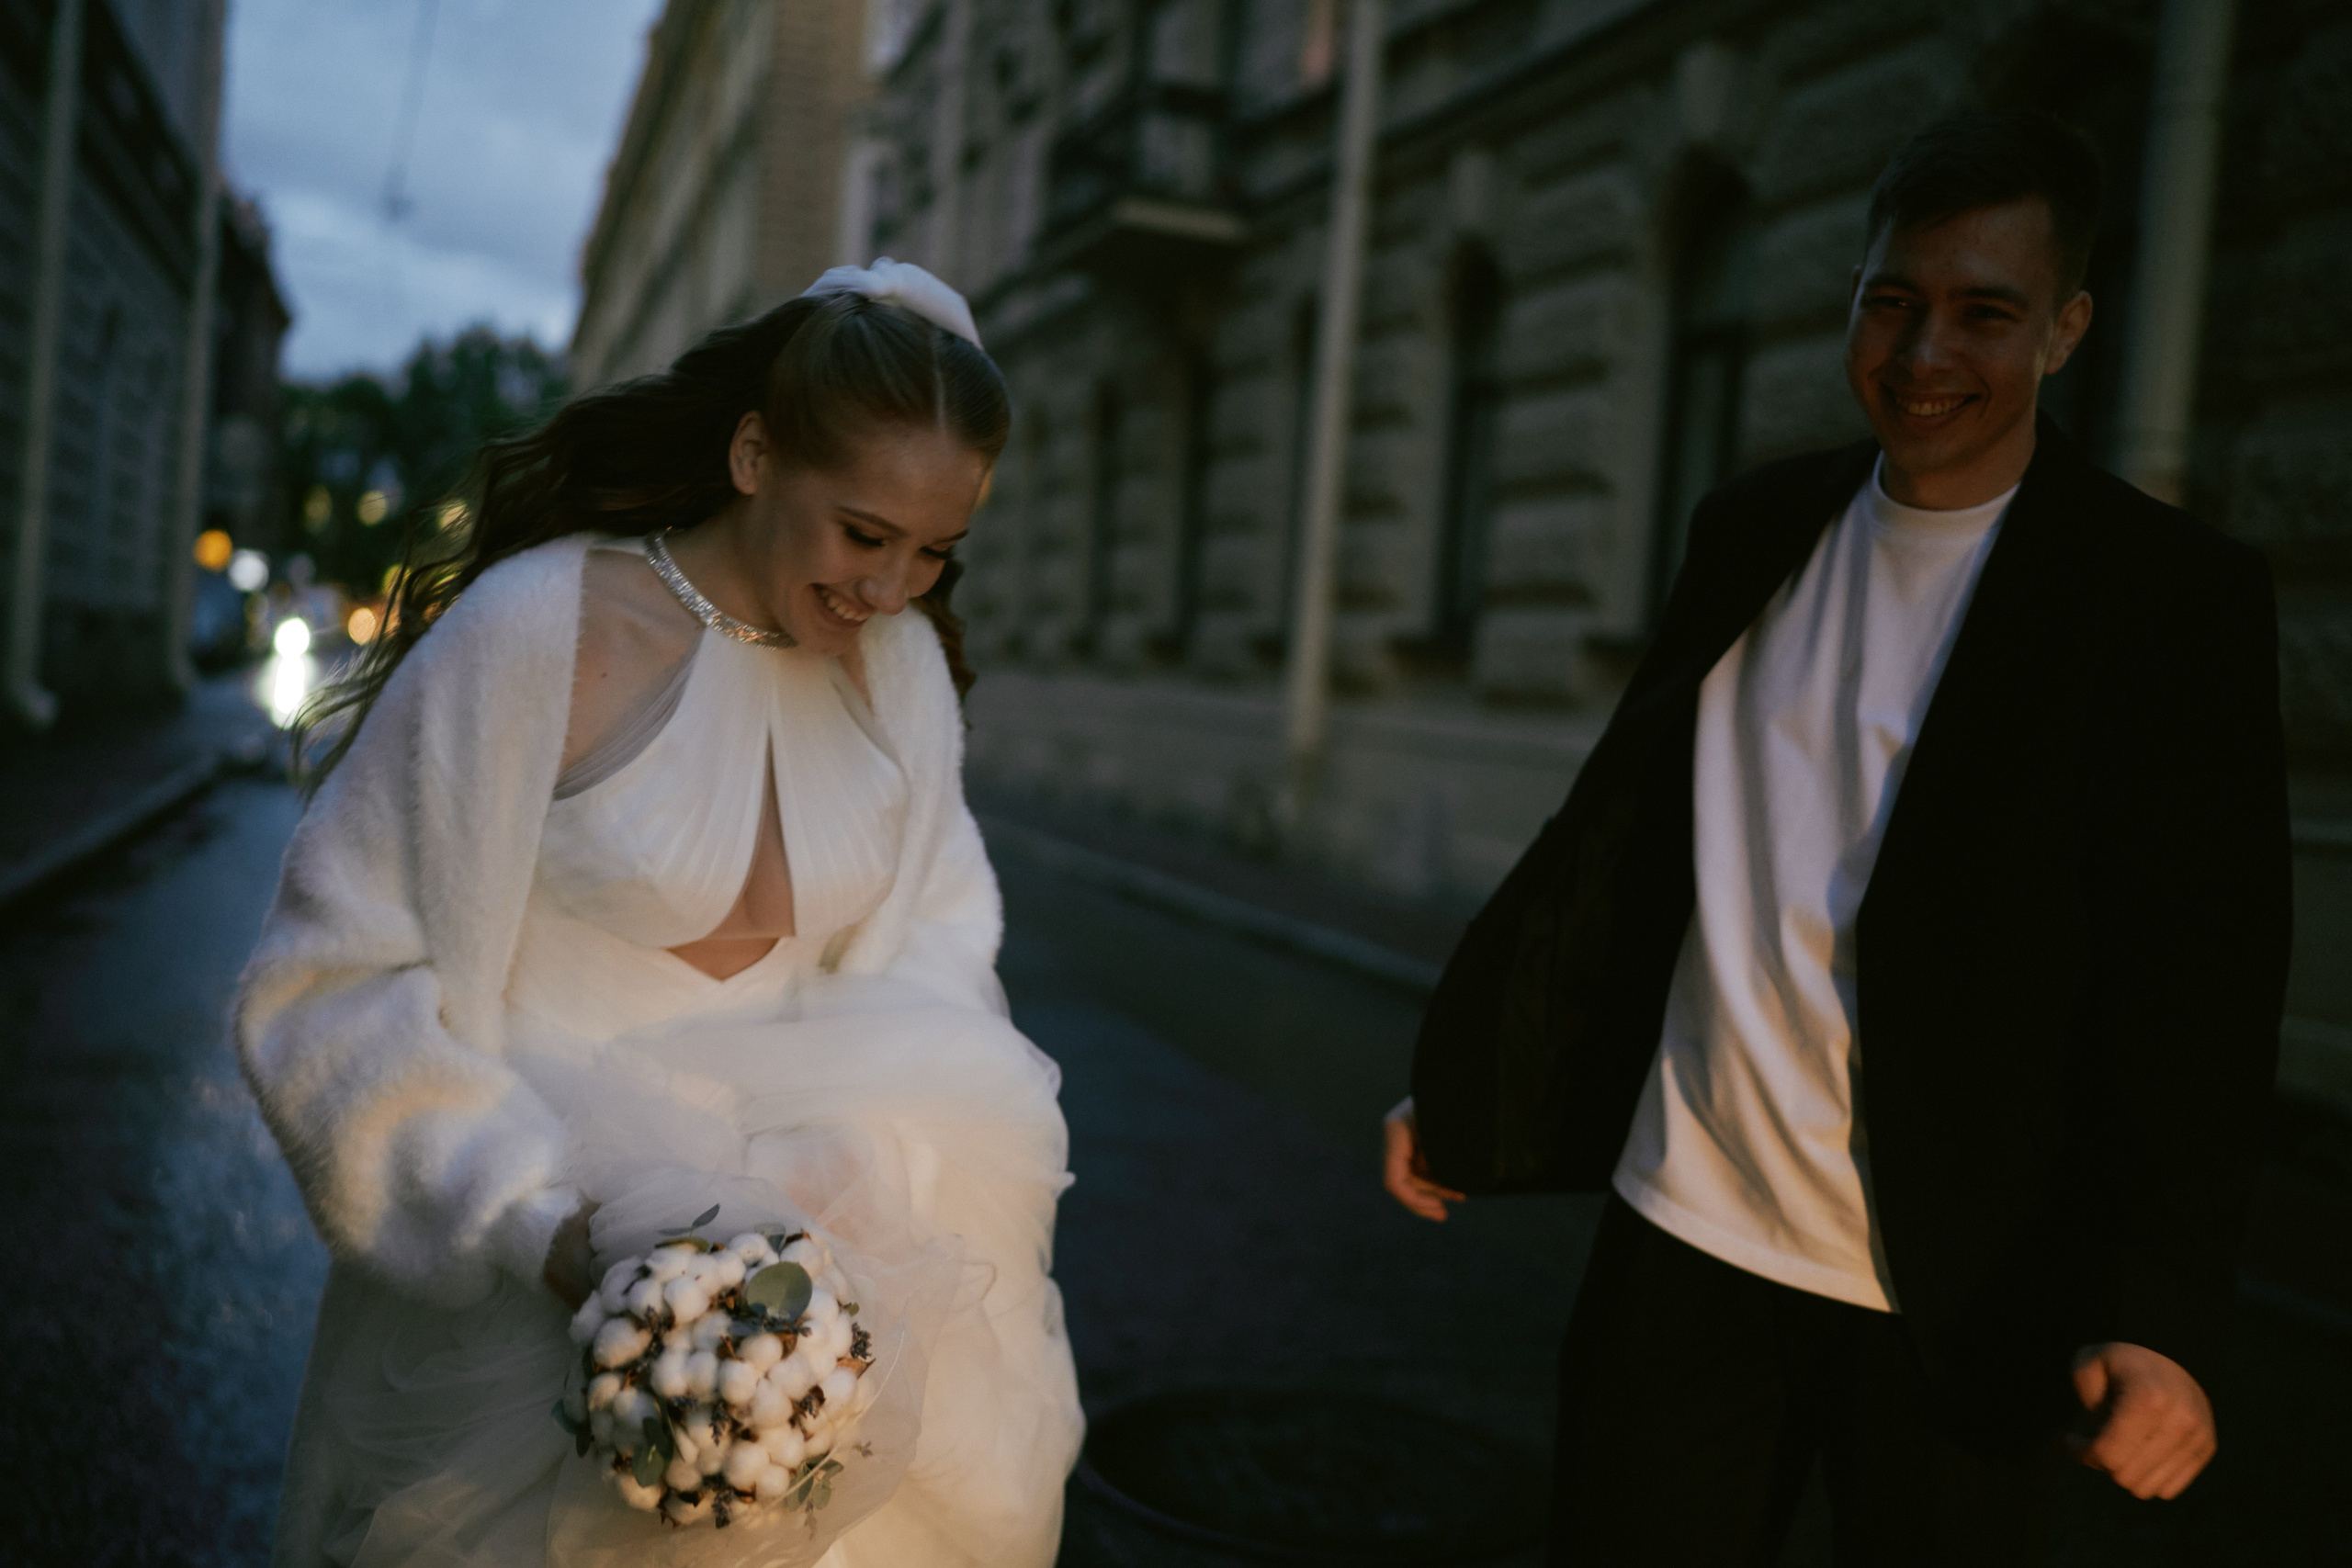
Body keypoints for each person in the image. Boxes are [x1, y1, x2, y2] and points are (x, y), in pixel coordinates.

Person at [1383, 110, 2290, 1562]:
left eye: (1985, 312)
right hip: (1682, 1244)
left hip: (1959, 1301)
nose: (1926, 352)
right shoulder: (1754, 528)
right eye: (1893, 300)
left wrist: (2165, 1320)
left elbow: (2204, 995)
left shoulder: (2163, 604)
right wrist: (1479, 1086)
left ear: (2065, 329)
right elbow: (1619, 850)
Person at [236, 263, 1083, 1566]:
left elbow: (939, 964)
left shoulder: (902, 677)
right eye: (863, 534)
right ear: (755, 455)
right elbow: (333, 986)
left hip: (808, 1295)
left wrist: (857, 1175)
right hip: (529, 1291)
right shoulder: (538, 631)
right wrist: (535, 1223)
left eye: (934, 551)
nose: (892, 589)